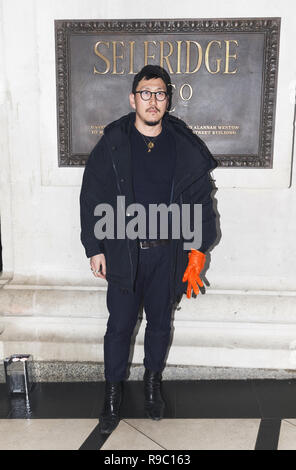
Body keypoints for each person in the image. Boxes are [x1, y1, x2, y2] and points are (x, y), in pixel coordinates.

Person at [80, 65, 217, 434]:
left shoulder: (183, 145)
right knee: (119, 327)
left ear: (167, 100)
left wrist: (197, 252)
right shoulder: (113, 142)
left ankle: (152, 384)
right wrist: (95, 246)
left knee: (160, 323)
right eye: (145, 93)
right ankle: (111, 394)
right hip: (124, 250)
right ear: (133, 99)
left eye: (159, 93)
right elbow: (91, 196)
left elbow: (202, 201)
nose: (152, 100)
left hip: (167, 253)